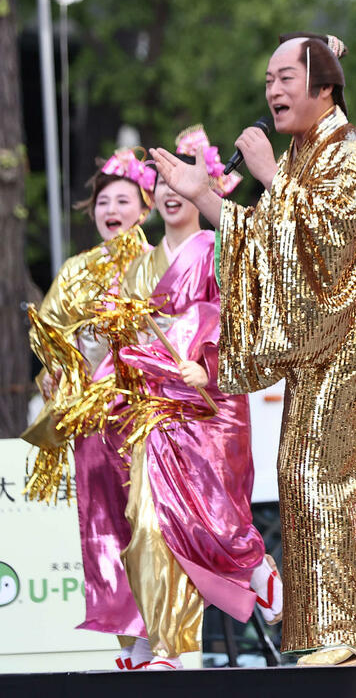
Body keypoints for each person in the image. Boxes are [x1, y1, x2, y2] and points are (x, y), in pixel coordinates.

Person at [151, 33, 356, 666]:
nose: (272, 90)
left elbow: (329, 244)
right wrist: (206, 192)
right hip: (322, 339)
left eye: (286, 77)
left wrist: (266, 174)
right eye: (268, 79)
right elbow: (265, 242)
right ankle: (340, 633)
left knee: (331, 478)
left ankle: (350, 634)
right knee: (303, 474)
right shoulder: (299, 159)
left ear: (324, 85)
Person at [106, 124, 280, 670]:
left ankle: (252, 563)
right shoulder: (134, 267)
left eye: (184, 178)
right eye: (161, 180)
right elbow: (124, 340)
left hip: (211, 400)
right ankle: (167, 647)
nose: (171, 188)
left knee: (208, 516)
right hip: (157, 409)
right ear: (151, 196)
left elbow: (241, 314)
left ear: (207, 184)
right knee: (151, 523)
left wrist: (202, 353)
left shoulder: (219, 247)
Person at [24, 149, 154, 667]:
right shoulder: (78, 270)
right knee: (103, 525)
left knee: (153, 522)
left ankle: (163, 633)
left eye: (124, 199)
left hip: (149, 409)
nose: (112, 209)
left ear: (145, 208)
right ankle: (132, 641)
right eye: (104, 201)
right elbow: (51, 335)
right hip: (94, 418)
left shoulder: (157, 260)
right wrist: (58, 371)